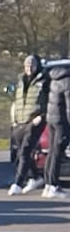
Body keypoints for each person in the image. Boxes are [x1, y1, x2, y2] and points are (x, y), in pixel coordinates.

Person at [9, 54, 50, 193]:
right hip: (20, 121)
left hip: (35, 121)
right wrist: (14, 119)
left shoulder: (44, 80)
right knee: (21, 151)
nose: (29, 68)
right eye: (27, 65)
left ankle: (18, 183)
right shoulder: (20, 81)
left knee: (25, 151)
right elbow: (17, 100)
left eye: (32, 65)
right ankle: (36, 177)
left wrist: (42, 116)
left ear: (37, 66)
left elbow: (49, 100)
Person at [43, 61, 70, 200]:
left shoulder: (54, 79)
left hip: (52, 119)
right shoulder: (68, 81)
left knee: (52, 152)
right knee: (57, 153)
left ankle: (48, 184)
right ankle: (53, 185)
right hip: (62, 122)